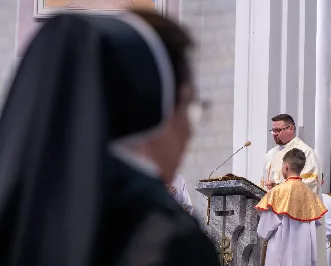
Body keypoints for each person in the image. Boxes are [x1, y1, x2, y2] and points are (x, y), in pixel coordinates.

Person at [0, 10, 219, 266]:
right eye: (191, 105)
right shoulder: (167, 237)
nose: (191, 130)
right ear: (158, 108)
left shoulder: (18, 215)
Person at [260, 114, 327, 265]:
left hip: (298, 223)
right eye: (273, 130)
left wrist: (279, 188)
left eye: (278, 130)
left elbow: (310, 183)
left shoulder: (305, 152)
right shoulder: (271, 154)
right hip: (277, 222)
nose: (274, 134)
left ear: (290, 128)